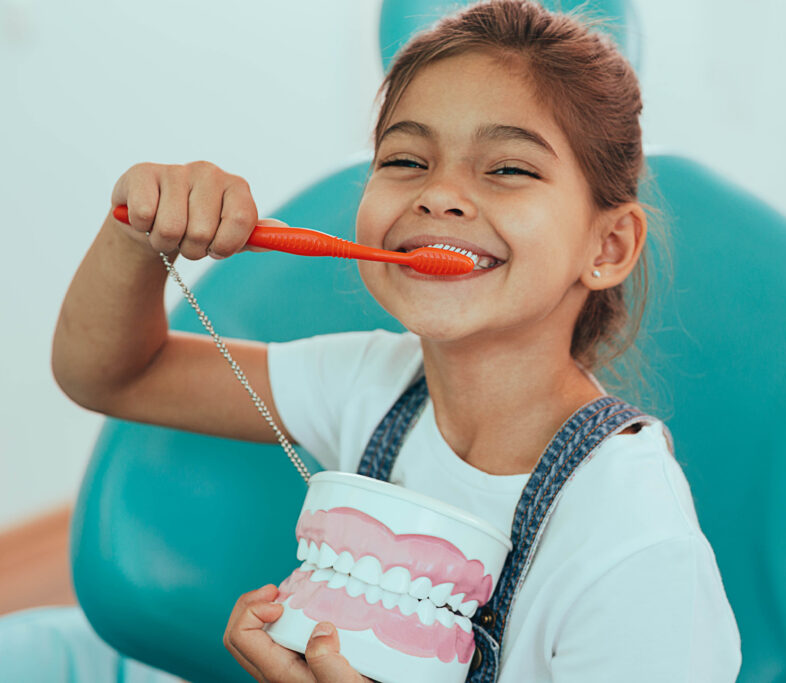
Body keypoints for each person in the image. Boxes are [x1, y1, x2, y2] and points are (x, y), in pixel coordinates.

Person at [52, 0, 741, 680]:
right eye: (407, 159)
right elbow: (114, 375)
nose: (439, 195)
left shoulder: (635, 539)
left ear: (609, 243)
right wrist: (137, 232)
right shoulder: (369, 384)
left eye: (508, 168)